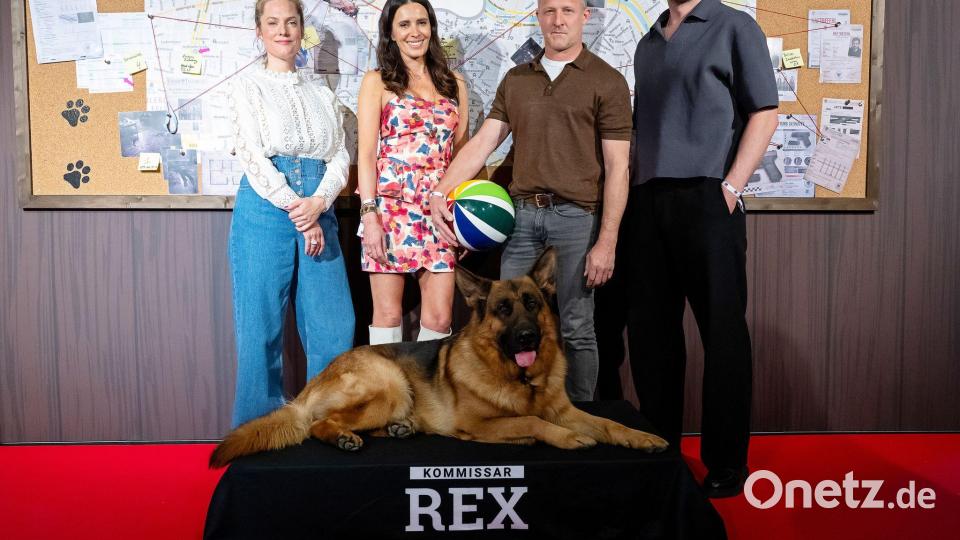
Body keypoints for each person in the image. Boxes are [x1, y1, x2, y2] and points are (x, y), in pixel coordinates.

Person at [429, 0, 632, 401]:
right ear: (538, 16)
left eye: (568, 11)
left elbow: (618, 168)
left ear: (584, 17)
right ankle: (512, 411)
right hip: (521, 220)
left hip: (577, 221)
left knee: (576, 326)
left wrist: (606, 241)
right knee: (506, 323)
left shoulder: (607, 81)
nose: (559, 20)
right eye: (550, 11)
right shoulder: (517, 79)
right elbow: (483, 144)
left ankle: (580, 419)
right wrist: (441, 190)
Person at [626, 0, 779, 497]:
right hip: (648, 200)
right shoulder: (647, 42)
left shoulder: (735, 25)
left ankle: (727, 463)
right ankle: (661, 451)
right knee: (651, 339)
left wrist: (731, 187)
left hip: (710, 196)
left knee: (723, 333)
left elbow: (765, 111)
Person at [228, 0, 355, 427]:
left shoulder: (322, 91)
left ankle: (328, 423)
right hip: (266, 208)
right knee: (260, 327)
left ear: (302, 30)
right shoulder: (247, 87)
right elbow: (250, 153)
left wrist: (318, 204)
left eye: (291, 22)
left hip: (320, 202)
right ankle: (256, 432)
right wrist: (297, 209)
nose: (283, 30)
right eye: (273, 23)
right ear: (259, 31)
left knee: (333, 325)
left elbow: (340, 154)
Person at [356, 0, 469, 345]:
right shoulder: (377, 81)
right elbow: (366, 155)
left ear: (431, 28)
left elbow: (461, 157)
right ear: (390, 33)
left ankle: (426, 399)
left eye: (421, 22)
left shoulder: (455, 83)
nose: (414, 32)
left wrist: (460, 220)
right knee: (388, 316)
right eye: (404, 24)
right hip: (390, 212)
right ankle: (386, 398)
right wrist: (370, 215)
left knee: (439, 318)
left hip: (439, 211)